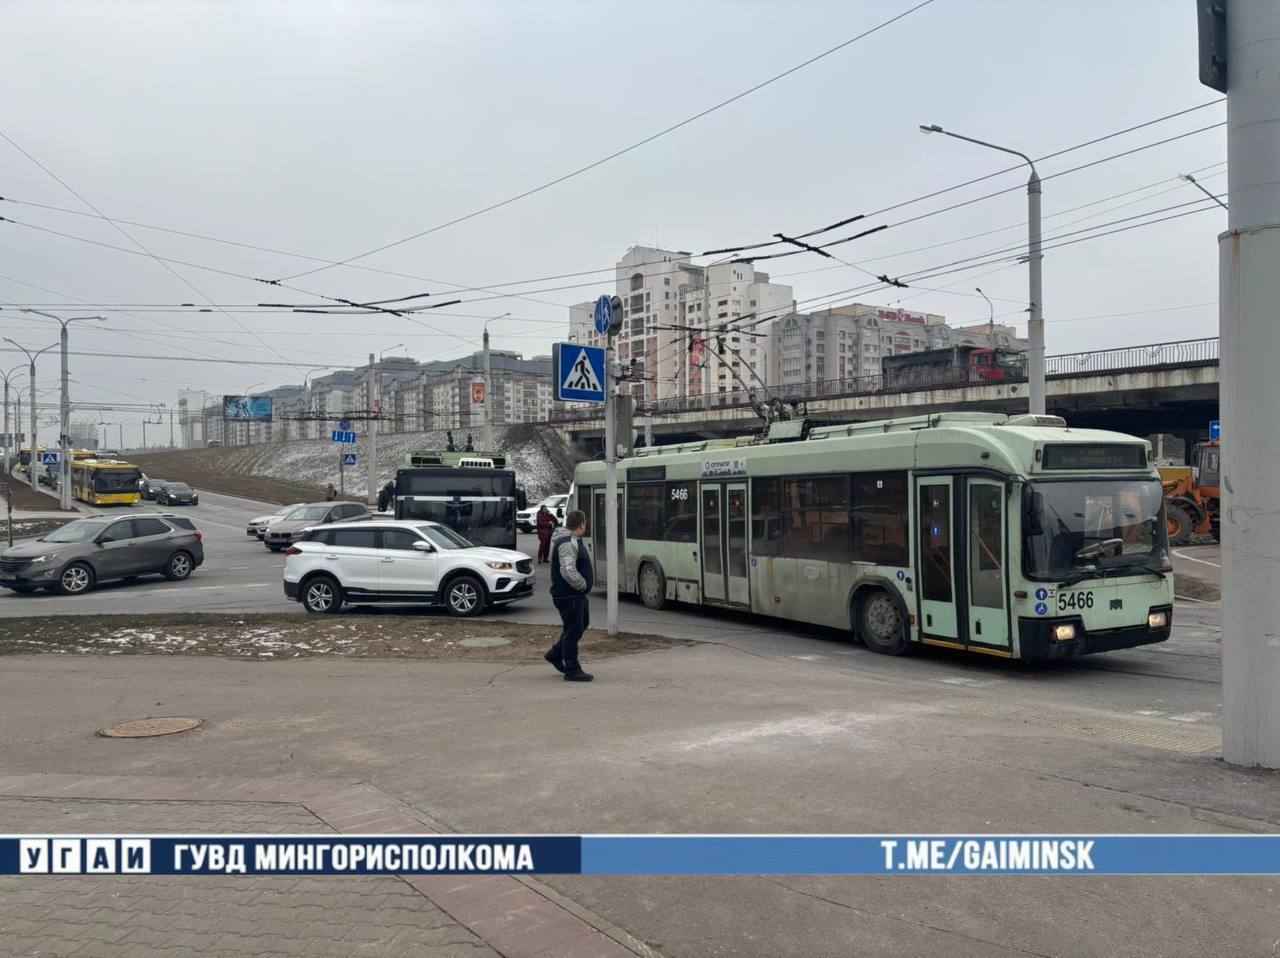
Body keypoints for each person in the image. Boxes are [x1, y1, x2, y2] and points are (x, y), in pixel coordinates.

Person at [545, 510, 593, 682]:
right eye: (585, 522)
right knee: (573, 629)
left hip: (574, 595)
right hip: (569, 595)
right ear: (581, 524)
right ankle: (572, 669)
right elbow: (567, 570)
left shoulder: (572, 540)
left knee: (580, 624)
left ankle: (555, 654)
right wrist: (583, 585)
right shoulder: (567, 542)